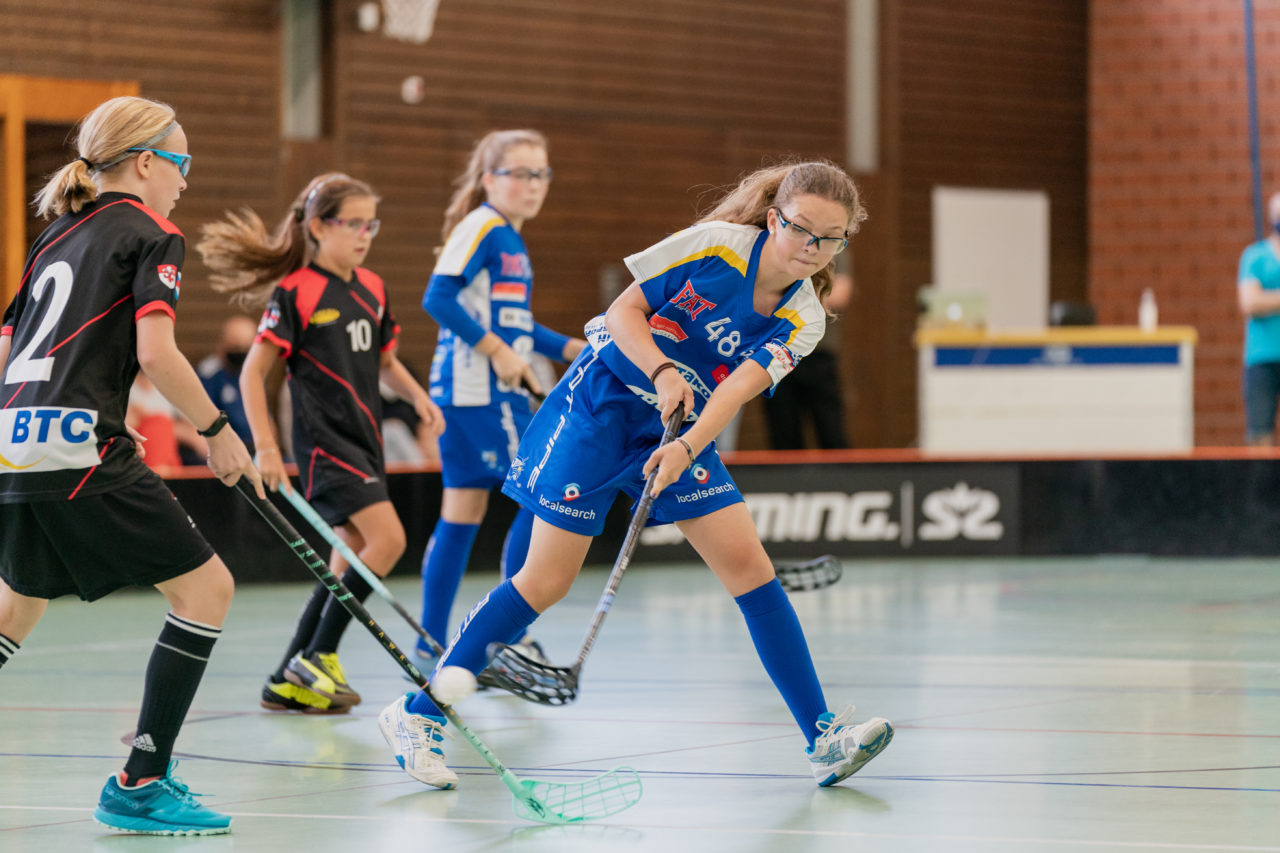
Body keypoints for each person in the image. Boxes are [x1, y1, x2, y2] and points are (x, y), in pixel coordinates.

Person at [378, 160, 893, 791]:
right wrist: (661, 370)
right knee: (544, 581)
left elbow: (735, 391)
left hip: (681, 426)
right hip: (601, 405)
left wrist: (687, 447)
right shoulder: (716, 246)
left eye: (830, 238)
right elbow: (623, 313)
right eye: (799, 230)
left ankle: (821, 737)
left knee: (751, 570)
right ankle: (418, 714)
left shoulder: (805, 317)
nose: (811, 249)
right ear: (772, 218)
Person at [0, 95, 261, 835]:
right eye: (181, 162)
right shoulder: (152, 233)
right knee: (206, 587)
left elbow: (11, 353)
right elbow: (155, 352)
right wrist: (215, 429)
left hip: (14, 441)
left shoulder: (55, 234)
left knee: (15, 606)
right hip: (75, 447)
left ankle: (145, 778)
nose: (185, 178)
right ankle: (141, 781)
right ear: (146, 163)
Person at [198, 173, 444, 713]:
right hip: (325, 444)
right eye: (351, 224)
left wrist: (418, 396)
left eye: (370, 225)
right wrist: (265, 446)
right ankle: (319, 657)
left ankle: (287, 679)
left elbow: (384, 361)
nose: (364, 235)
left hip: (367, 440)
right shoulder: (295, 292)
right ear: (316, 227)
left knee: (347, 560)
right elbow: (252, 375)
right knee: (388, 541)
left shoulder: (373, 287)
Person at [416, 129, 585, 665]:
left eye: (543, 174)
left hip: (483, 392)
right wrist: (496, 352)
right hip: (478, 391)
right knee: (538, 499)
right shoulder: (484, 226)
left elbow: (513, 323)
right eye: (522, 174)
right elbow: (437, 297)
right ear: (490, 178)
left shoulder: (511, 238)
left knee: (463, 511)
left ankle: (433, 639)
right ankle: (506, 632)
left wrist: (570, 347)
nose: (535, 185)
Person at [763, 252, 852, 449]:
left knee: (832, 433)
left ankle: (843, 479)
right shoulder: (779, 247)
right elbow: (764, 297)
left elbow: (840, 295)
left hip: (819, 355)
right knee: (784, 436)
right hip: (778, 354)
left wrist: (789, 300)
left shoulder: (835, 249)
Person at [1237, 191, 1280, 446]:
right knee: (1259, 436)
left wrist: (1269, 298)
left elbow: (1260, 299)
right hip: (1261, 358)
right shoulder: (1255, 256)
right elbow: (1250, 302)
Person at [196, 314, 257, 452]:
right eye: (236, 345)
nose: (240, 350)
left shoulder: (251, 374)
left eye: (246, 346)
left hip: (252, 449)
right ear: (222, 344)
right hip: (223, 450)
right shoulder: (210, 374)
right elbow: (199, 420)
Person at [126, 372, 206, 471]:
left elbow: (193, 426)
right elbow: (126, 423)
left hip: (169, 442)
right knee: (157, 426)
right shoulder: (126, 388)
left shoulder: (170, 385)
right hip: (140, 443)